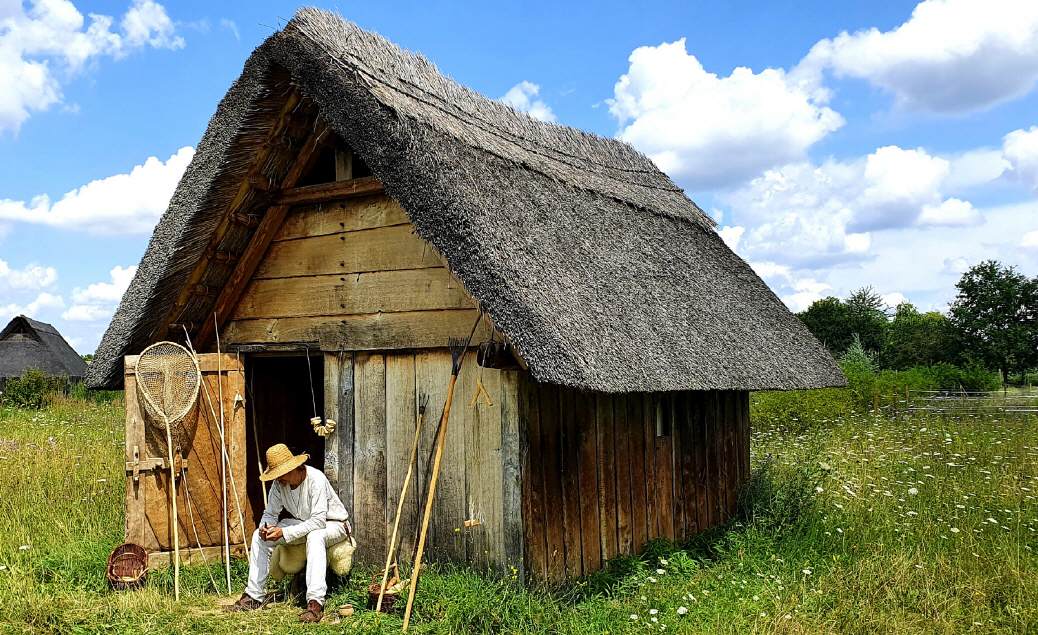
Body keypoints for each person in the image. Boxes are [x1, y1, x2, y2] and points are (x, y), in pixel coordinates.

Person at [226, 443, 350, 623]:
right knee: (258, 537)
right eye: (276, 475)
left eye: (282, 474)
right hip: (304, 524)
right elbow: (270, 513)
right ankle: (253, 597)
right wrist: (265, 528)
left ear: (295, 467)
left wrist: (284, 532)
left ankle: (315, 603)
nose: (279, 479)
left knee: (315, 536)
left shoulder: (316, 479)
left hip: (334, 524)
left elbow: (318, 522)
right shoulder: (279, 484)